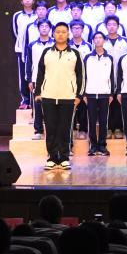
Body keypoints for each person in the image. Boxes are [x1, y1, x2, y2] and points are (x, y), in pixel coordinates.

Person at [33, 22, 84, 171]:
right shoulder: (46, 52)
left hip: (68, 97)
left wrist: (79, 95)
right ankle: (52, 158)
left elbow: (81, 75)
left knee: (65, 128)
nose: (60, 34)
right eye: (58, 32)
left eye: (63, 32)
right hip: (48, 96)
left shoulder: (75, 54)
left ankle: (64, 158)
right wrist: (38, 92)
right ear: (53, 34)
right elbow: (40, 73)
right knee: (51, 128)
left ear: (68, 34)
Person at [83, 32, 114, 157]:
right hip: (90, 94)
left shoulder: (109, 58)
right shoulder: (88, 57)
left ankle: (102, 146)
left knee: (103, 121)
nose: (98, 40)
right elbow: (84, 76)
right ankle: (93, 146)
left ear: (104, 40)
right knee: (91, 121)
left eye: (100, 38)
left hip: (104, 94)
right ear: (93, 41)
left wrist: (111, 93)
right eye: (95, 38)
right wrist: (84, 93)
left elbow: (112, 76)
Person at [26, 18, 53, 140]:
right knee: (37, 106)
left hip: (53, 78)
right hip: (36, 78)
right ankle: (38, 131)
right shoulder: (32, 45)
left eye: (46, 26)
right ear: (38, 29)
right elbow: (29, 63)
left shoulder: (55, 44)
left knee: (51, 106)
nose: (44, 28)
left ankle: (51, 131)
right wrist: (29, 80)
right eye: (42, 26)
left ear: (50, 29)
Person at [12, 0, 38, 110]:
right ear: (21, 1)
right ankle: (25, 99)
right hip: (21, 50)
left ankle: (37, 100)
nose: (27, 0)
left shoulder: (38, 14)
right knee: (23, 76)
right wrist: (22, 45)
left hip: (37, 50)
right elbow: (15, 32)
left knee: (36, 74)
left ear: (33, 0)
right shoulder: (17, 15)